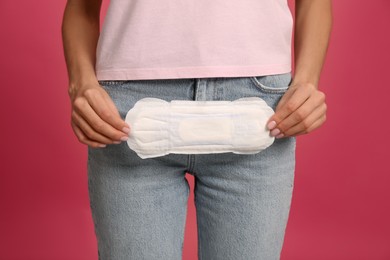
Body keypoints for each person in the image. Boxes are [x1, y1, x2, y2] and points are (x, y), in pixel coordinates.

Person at [62, 0, 332, 259]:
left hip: (258, 111)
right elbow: (81, 7)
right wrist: (81, 84)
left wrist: (307, 81)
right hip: (130, 116)